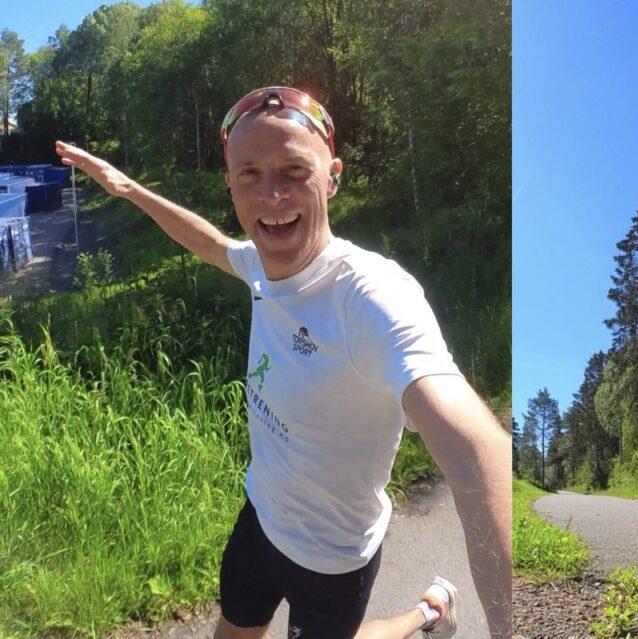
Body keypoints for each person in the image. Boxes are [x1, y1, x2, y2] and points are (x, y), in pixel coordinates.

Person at [55, 86, 511, 638]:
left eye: (294, 171)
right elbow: (209, 243)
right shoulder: (260, 267)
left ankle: (428, 611)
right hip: (260, 519)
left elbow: (477, 454)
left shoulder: (369, 295)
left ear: (332, 176)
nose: (271, 195)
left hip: (335, 560)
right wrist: (126, 189)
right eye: (249, 173)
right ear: (229, 181)